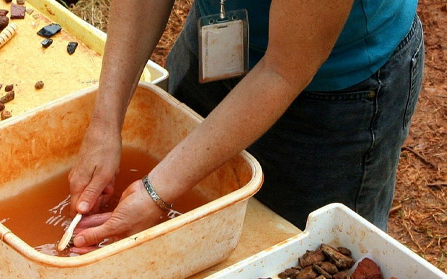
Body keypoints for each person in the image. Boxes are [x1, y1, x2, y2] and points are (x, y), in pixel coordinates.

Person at [67, 0, 424, 252]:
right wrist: (104, 125)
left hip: (333, 92)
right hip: (220, 31)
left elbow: (284, 70)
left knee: (307, 260)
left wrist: (155, 193)